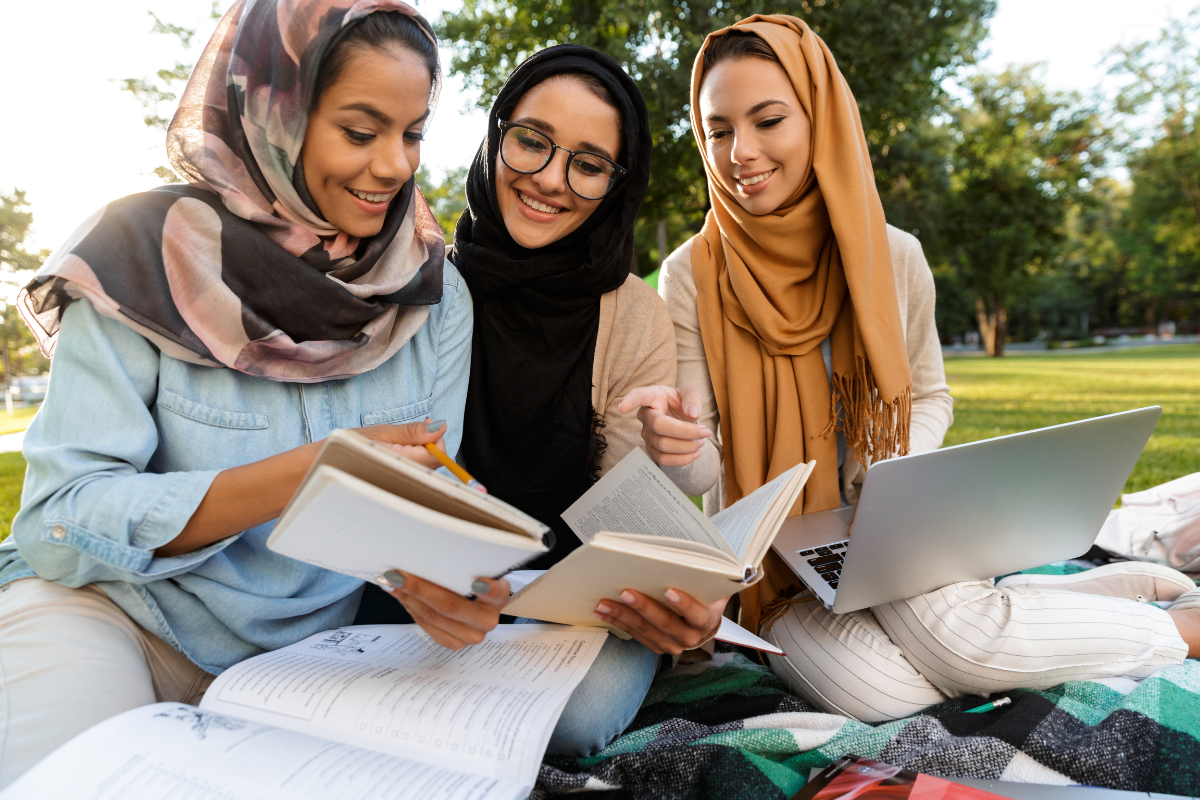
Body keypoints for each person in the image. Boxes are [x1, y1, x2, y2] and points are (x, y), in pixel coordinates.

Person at [625, 15, 1200, 723]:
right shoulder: (688, 272)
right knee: (886, 695)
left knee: (961, 648)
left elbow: (931, 397)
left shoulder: (894, 256)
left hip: (894, 530)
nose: (739, 152)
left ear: (822, 121)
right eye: (717, 130)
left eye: (768, 120)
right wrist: (676, 449)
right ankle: (1079, 603)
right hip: (780, 572)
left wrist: (891, 477)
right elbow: (701, 475)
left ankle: (1180, 629)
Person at [0, 1, 501, 786]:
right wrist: (305, 474)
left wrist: (431, 582)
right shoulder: (139, 257)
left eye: (412, 134)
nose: (398, 166)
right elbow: (57, 521)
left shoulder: (435, 295)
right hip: (122, 620)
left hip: (305, 663)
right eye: (362, 132)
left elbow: (419, 506)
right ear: (275, 115)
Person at [426, 45, 726, 756]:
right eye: (531, 142)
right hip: (428, 588)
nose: (549, 181)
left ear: (617, 183)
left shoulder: (635, 314)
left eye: (588, 164)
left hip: (577, 604)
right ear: (495, 135)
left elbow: (629, 517)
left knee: (575, 718)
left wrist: (679, 457)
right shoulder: (426, 285)